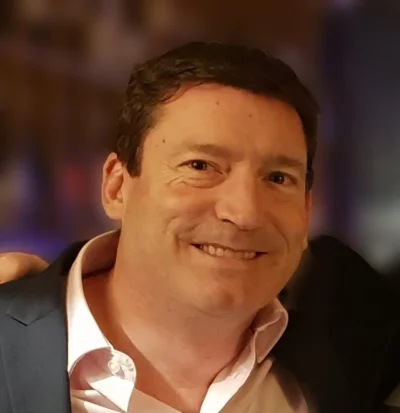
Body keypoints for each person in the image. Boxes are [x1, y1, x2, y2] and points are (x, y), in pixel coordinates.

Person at [0, 41, 398, 413]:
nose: (244, 212)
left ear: (307, 208)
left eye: (278, 178)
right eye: (200, 166)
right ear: (117, 186)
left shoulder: (354, 342)